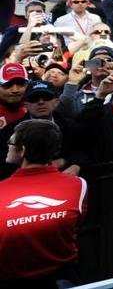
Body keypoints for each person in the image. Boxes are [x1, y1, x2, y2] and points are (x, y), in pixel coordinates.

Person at [1, 120, 87, 285]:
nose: (7, 146)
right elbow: (75, 223)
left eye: (10, 142)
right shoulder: (78, 185)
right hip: (65, 276)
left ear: (22, 151)